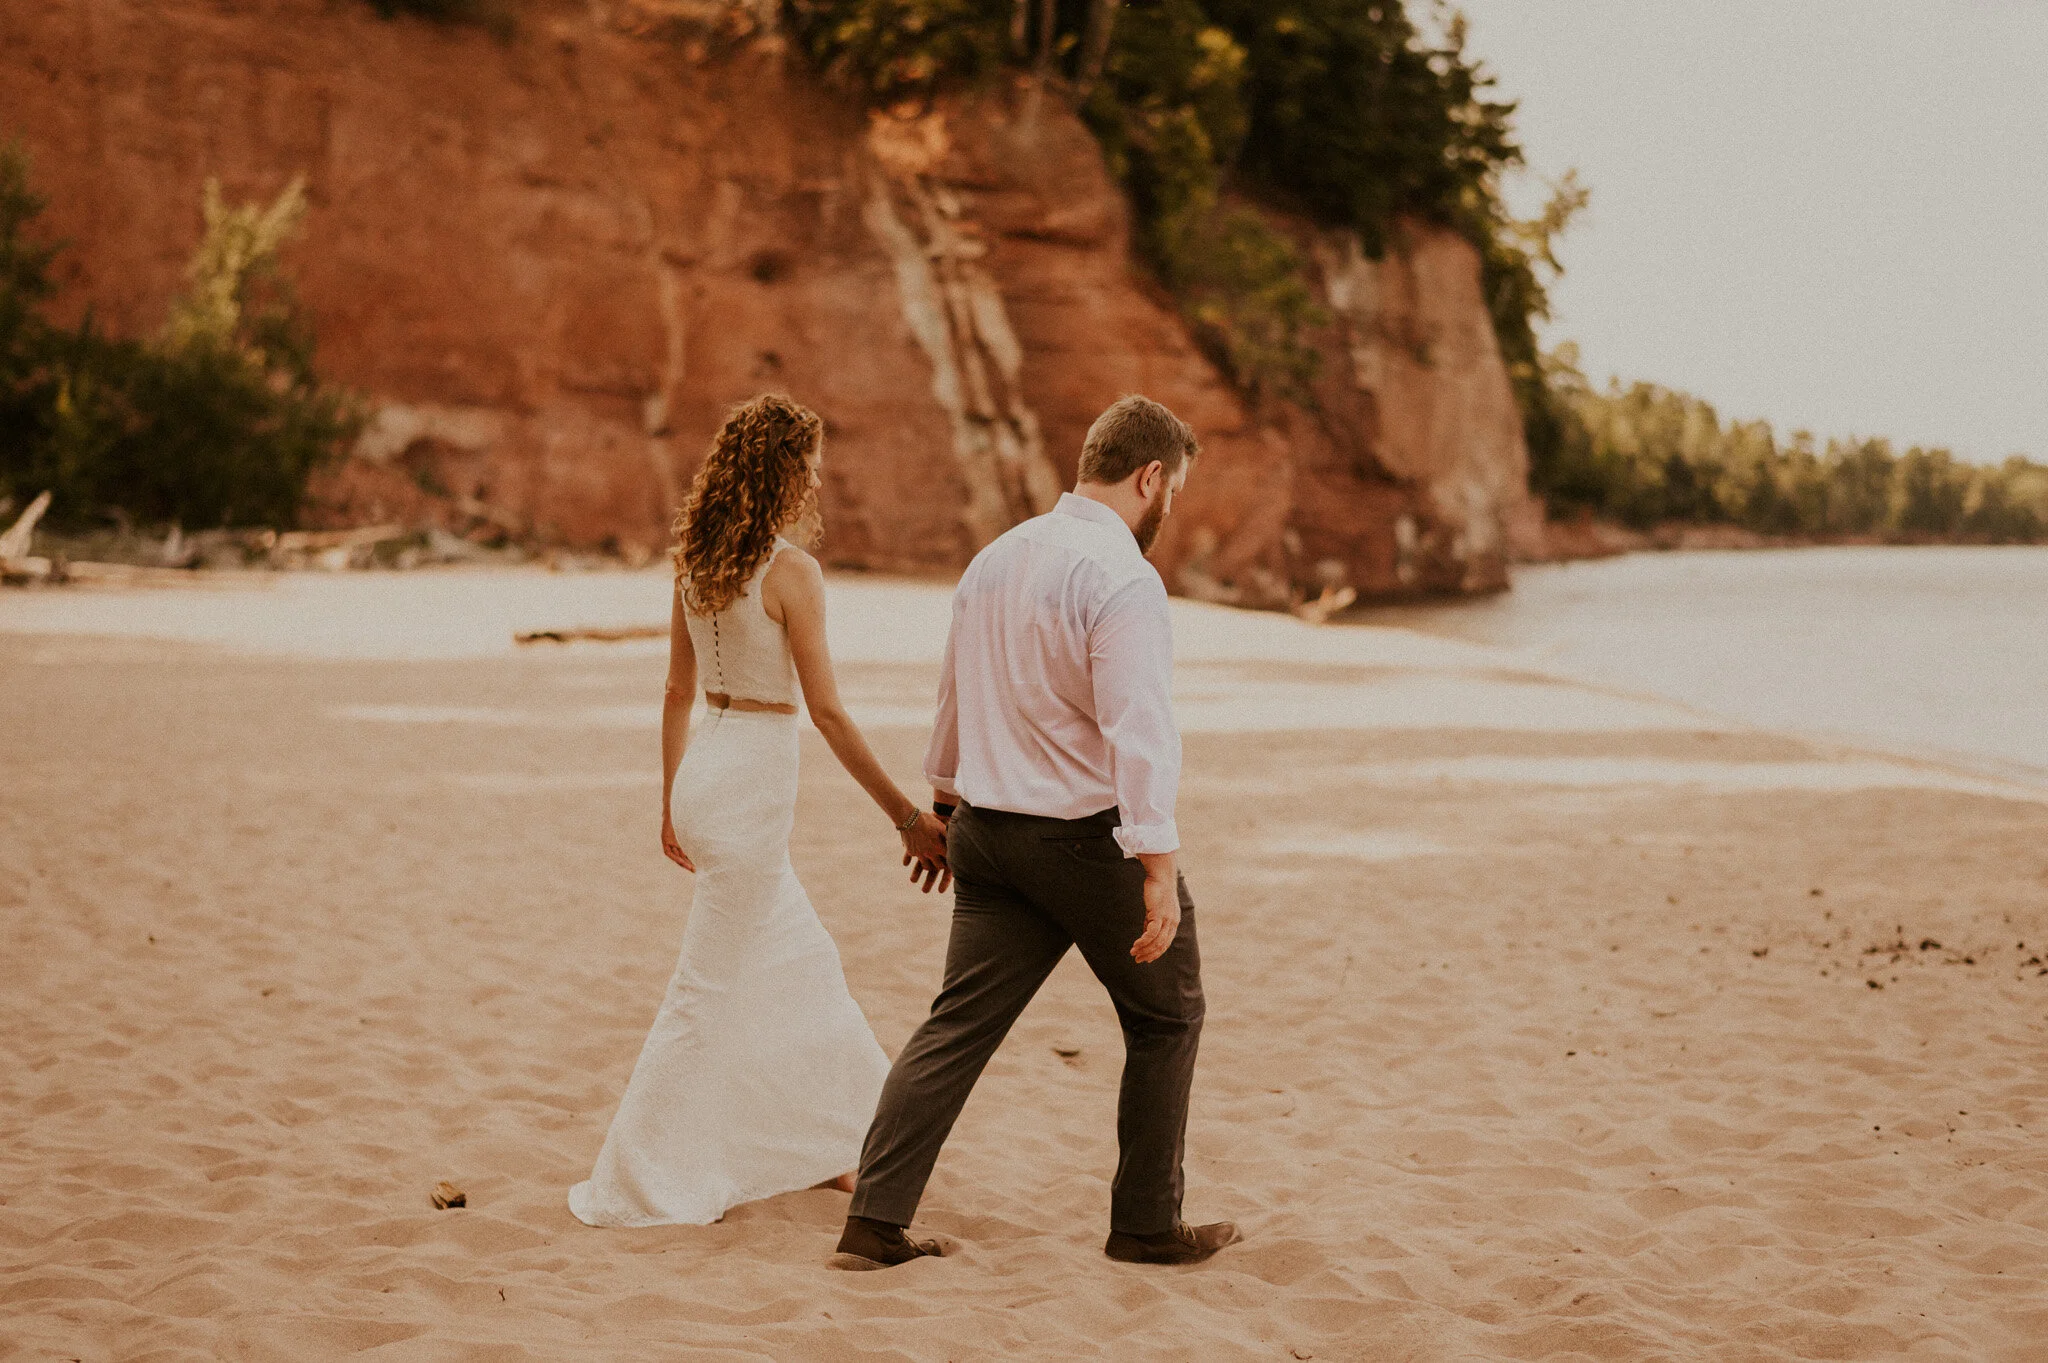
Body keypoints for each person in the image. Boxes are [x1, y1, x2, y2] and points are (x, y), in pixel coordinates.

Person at [831, 394, 1238, 1270]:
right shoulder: (1123, 576)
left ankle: (873, 1220)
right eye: (1176, 492)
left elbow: (953, 693)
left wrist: (940, 809)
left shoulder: (995, 559)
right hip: (1082, 842)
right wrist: (1158, 865)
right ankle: (1144, 1227)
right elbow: (1140, 727)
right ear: (1151, 476)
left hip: (984, 834)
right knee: (1168, 1017)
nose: (1170, 512)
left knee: (957, 1024)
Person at [569, 393, 951, 1228]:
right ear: (783, 472)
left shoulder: (696, 561)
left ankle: (837, 1145)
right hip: (747, 791)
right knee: (704, 988)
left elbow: (675, 691)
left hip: (707, 771)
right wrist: (904, 815)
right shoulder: (791, 574)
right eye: (808, 466)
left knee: (799, 962)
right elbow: (830, 713)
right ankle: (636, 1176)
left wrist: (672, 802)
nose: (816, 480)